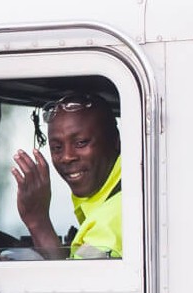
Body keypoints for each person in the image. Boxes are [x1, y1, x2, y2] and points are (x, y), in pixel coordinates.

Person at [11, 93, 121, 259]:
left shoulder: (111, 221)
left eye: (81, 143)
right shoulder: (126, 196)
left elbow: (74, 283)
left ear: (116, 141)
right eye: (56, 147)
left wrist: (38, 222)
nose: (67, 157)